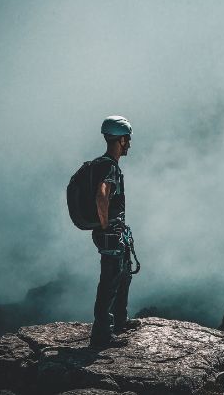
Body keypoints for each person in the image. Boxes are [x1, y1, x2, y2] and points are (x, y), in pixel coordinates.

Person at [90, 115, 141, 347]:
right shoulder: (109, 166)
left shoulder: (103, 164)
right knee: (110, 282)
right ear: (120, 140)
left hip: (113, 232)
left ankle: (120, 321)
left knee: (122, 276)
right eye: (127, 139)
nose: (129, 144)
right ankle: (103, 334)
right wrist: (106, 226)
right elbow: (102, 195)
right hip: (111, 233)